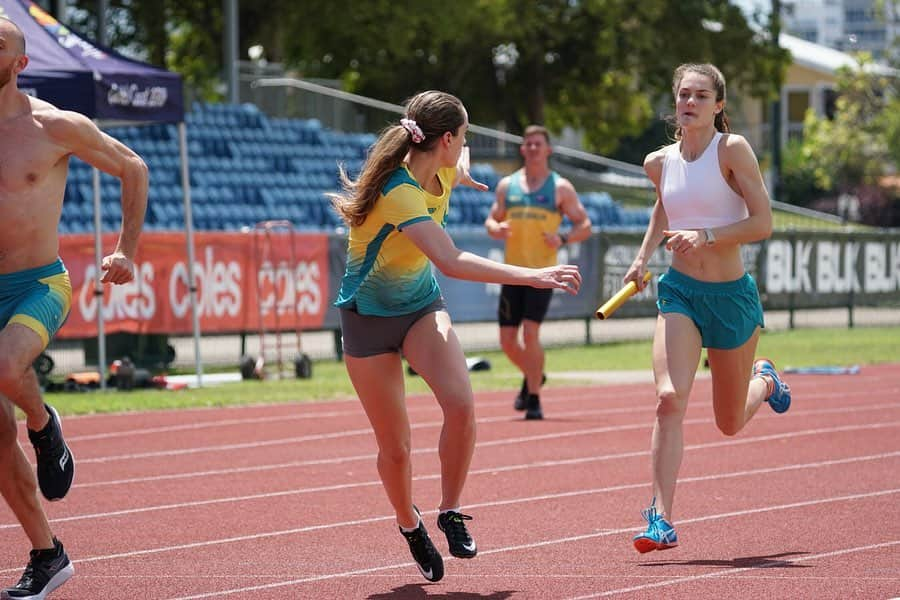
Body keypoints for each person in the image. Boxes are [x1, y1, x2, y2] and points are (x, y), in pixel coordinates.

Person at [329, 91, 581, 582]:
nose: (465, 145)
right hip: (367, 319)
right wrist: (533, 274)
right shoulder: (398, 191)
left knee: (462, 405)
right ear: (444, 139)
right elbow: (451, 260)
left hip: (421, 307)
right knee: (396, 448)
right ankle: (410, 524)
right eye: (462, 137)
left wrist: (461, 170)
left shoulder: (443, 164)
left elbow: (457, 160)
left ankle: (450, 510)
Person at [0, 17, 148, 599]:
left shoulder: (53, 124)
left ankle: (45, 424)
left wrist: (125, 250)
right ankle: (47, 555)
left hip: (38, 283)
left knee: (6, 364)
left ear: (20, 62)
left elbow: (132, 166)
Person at [623, 63, 791, 553]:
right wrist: (640, 260)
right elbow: (664, 205)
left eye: (700, 95)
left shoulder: (731, 150)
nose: (689, 102)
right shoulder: (658, 161)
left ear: (719, 105)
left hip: (731, 297)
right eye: (682, 94)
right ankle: (660, 518)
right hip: (680, 294)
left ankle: (766, 380)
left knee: (728, 421)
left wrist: (707, 236)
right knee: (669, 397)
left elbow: (763, 222)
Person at [484, 125, 591, 419]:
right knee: (507, 341)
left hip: (543, 274)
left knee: (530, 334)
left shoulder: (560, 187)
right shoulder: (508, 186)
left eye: (537, 144)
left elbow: (585, 225)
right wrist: (497, 228)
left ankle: (533, 397)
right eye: (528, 144)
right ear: (522, 149)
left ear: (548, 150)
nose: (532, 149)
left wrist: (564, 238)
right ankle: (535, 373)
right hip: (511, 273)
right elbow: (491, 221)